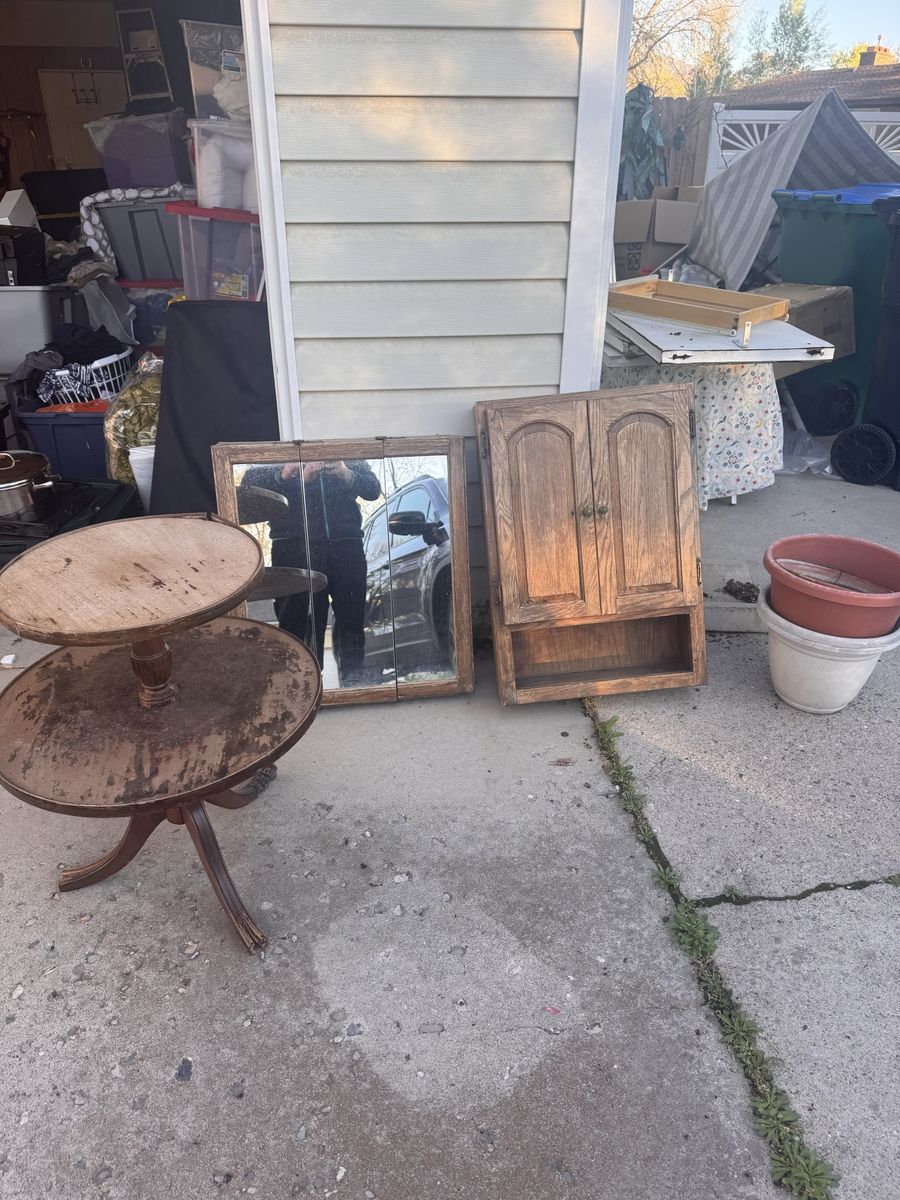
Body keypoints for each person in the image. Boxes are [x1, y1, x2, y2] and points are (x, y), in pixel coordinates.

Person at [242, 459, 381, 685]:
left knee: (352, 616)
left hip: (346, 545)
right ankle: (300, 687)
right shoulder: (274, 445)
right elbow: (250, 489)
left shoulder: (343, 449)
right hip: (293, 546)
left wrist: (345, 473)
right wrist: (286, 473)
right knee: (297, 620)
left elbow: (373, 490)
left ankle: (354, 684)